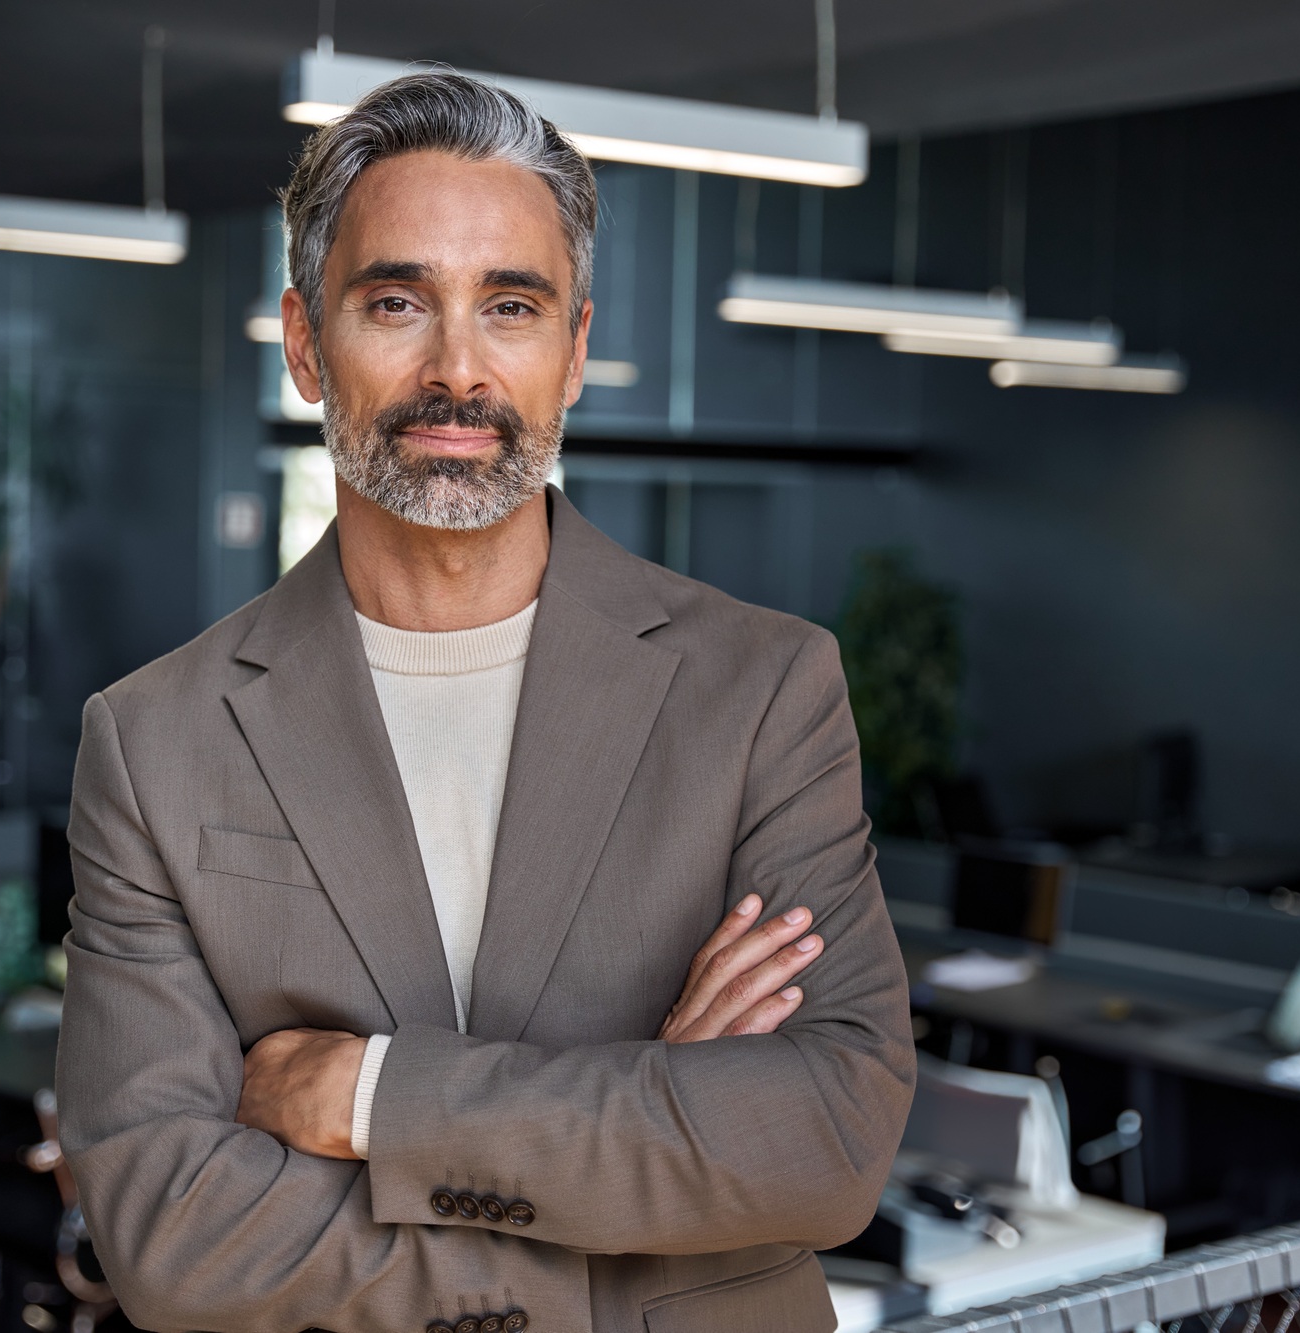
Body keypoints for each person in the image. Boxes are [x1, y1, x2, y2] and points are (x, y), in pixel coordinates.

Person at [57, 70, 914, 1333]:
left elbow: (827, 1140)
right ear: (305, 342)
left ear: (571, 355)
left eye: (509, 306)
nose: (455, 369)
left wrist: (369, 1102)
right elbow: (169, 1232)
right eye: (395, 301)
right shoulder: (152, 740)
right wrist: (642, 1153)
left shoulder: (762, 690)